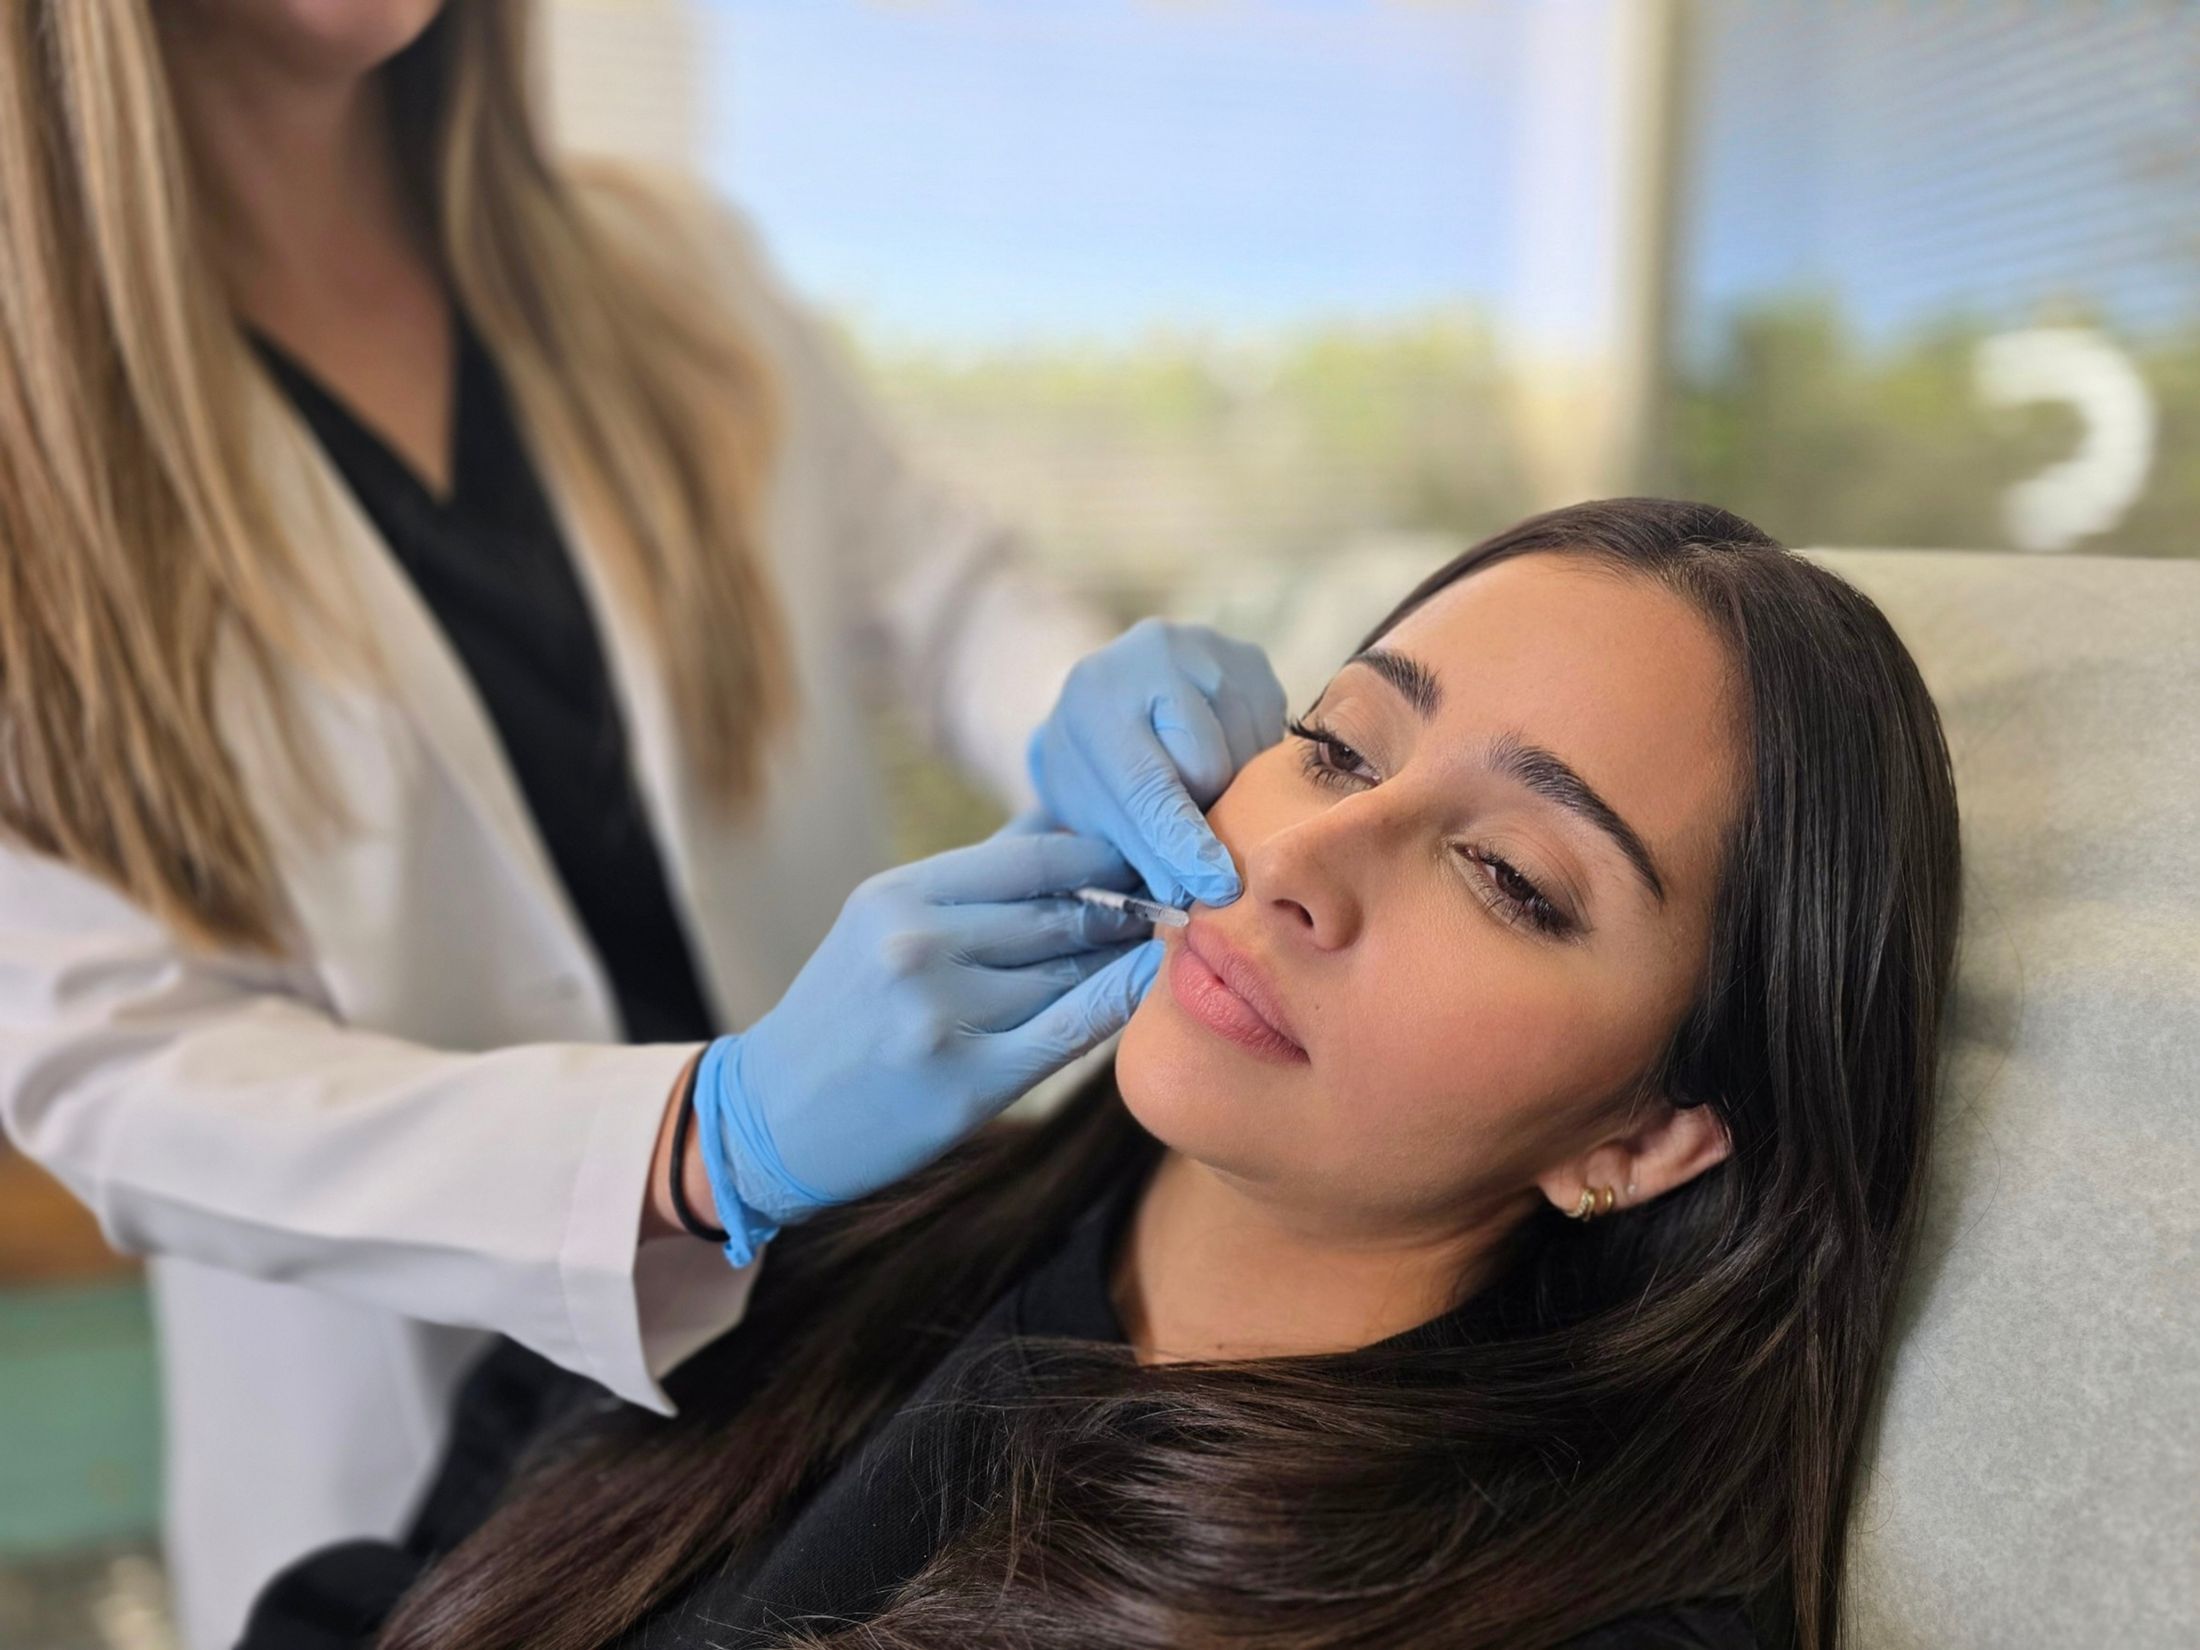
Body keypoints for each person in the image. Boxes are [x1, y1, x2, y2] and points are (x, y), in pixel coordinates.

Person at [0, 4, 1285, 1645]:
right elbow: (114, 1067)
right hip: (421, 1478)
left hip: (879, 1335)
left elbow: (953, 600)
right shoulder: (35, 438)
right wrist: (701, 1140)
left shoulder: (667, 268)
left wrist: (1104, 709)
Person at [239, 499, 1967, 1650]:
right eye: (1334, 741)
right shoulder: (820, 1245)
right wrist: (719, 1151)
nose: (1312, 852)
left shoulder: (1562, 1613)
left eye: (1509, 876)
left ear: (1646, 1135)